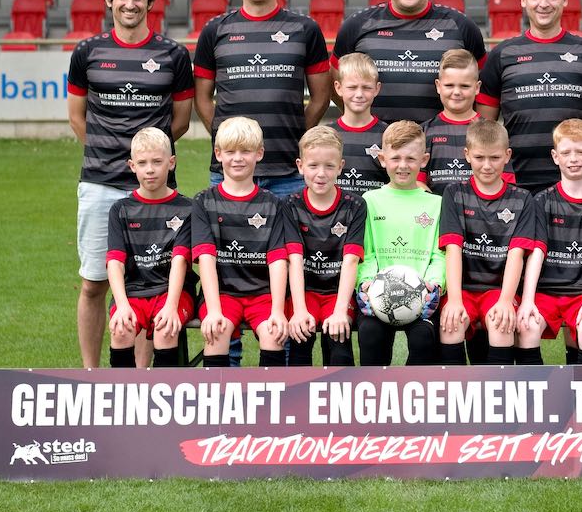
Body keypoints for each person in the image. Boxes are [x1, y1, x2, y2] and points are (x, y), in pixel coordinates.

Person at [67, 0, 193, 370]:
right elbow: (77, 117)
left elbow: (180, 122)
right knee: (93, 283)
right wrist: (112, 157)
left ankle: (139, 380)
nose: (130, 4)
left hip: (155, 191)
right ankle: (91, 374)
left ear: (151, 2)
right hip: (100, 184)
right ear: (109, 0)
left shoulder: (174, 55)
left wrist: (147, 164)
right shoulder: (87, 52)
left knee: (148, 286)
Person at [194, 0, 334, 198]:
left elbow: (321, 98)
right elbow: (201, 99)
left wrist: (296, 134)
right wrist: (227, 137)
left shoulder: (306, 29)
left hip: (289, 173)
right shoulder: (214, 30)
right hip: (229, 172)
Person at [477, 0, 582, 192]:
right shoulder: (502, 54)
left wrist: (577, 154)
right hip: (516, 185)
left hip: (574, 184)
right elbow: (485, 125)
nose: (544, 4)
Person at [333, 0, 485, 125]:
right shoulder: (357, 26)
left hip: (440, 141)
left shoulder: (462, 26)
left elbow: (485, 91)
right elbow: (335, 83)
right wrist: (362, 124)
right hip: (376, 141)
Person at [516, 119, 582, 364]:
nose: (573, 159)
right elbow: (536, 253)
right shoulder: (542, 201)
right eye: (566, 153)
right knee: (527, 325)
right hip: (546, 293)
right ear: (555, 157)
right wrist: (528, 300)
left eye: (581, 152)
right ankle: (534, 389)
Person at [191, 117, 293, 368]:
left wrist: (277, 310)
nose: (238, 158)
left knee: (273, 333)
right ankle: (218, 393)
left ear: (259, 154)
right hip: (222, 294)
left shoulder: (273, 204)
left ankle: (271, 393)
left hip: (263, 295)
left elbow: (278, 261)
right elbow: (206, 259)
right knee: (217, 331)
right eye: (230, 152)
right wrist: (214, 310)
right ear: (218, 154)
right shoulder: (204, 202)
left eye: (245, 151)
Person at [437, 119, 535, 366]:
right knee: (452, 322)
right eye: (479, 157)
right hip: (464, 290)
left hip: (498, 291)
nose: (487, 165)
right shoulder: (454, 193)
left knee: (501, 322)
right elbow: (453, 249)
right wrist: (455, 300)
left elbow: (516, 255)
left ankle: (499, 389)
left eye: (495, 158)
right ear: (467, 155)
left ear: (507, 156)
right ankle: (456, 388)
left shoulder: (522, 199)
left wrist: (505, 300)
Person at [355, 120, 445, 366]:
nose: (403, 165)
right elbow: (365, 252)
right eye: (395, 158)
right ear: (382, 159)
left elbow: (439, 254)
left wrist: (435, 284)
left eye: (411, 159)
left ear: (424, 160)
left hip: (422, 297)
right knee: (370, 333)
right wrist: (365, 283)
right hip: (378, 294)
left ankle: (415, 388)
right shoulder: (369, 200)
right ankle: (374, 387)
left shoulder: (436, 203)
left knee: (423, 338)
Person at [105, 128, 195, 369]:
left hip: (172, 293)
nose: (150, 169)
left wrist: (171, 306)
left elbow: (180, 261)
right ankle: (123, 390)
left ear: (171, 163)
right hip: (132, 292)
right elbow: (115, 262)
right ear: (132, 166)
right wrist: (122, 305)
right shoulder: (120, 210)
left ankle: (167, 390)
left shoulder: (187, 209)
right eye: (142, 163)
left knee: (166, 328)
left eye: (157, 162)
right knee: (121, 329)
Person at [282, 126, 366, 367]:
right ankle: (298, 392)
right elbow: (294, 259)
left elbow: (351, 260)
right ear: (300, 166)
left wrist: (340, 311)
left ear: (340, 166)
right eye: (313, 165)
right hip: (304, 292)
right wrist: (299, 310)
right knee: (300, 338)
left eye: (329, 166)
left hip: (338, 293)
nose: (321, 173)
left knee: (339, 341)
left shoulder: (355, 206)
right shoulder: (290, 205)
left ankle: (342, 391)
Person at [421, 48, 490, 193]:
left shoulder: (490, 131)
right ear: (438, 86)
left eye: (464, 86)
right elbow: (416, 182)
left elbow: (501, 182)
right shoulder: (423, 132)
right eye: (449, 85)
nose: (457, 92)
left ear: (477, 87)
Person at [333, 53, 388, 194]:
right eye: (352, 87)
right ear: (338, 88)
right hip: (338, 209)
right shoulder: (326, 135)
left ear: (377, 88)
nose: (359, 94)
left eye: (366, 87)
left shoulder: (388, 135)